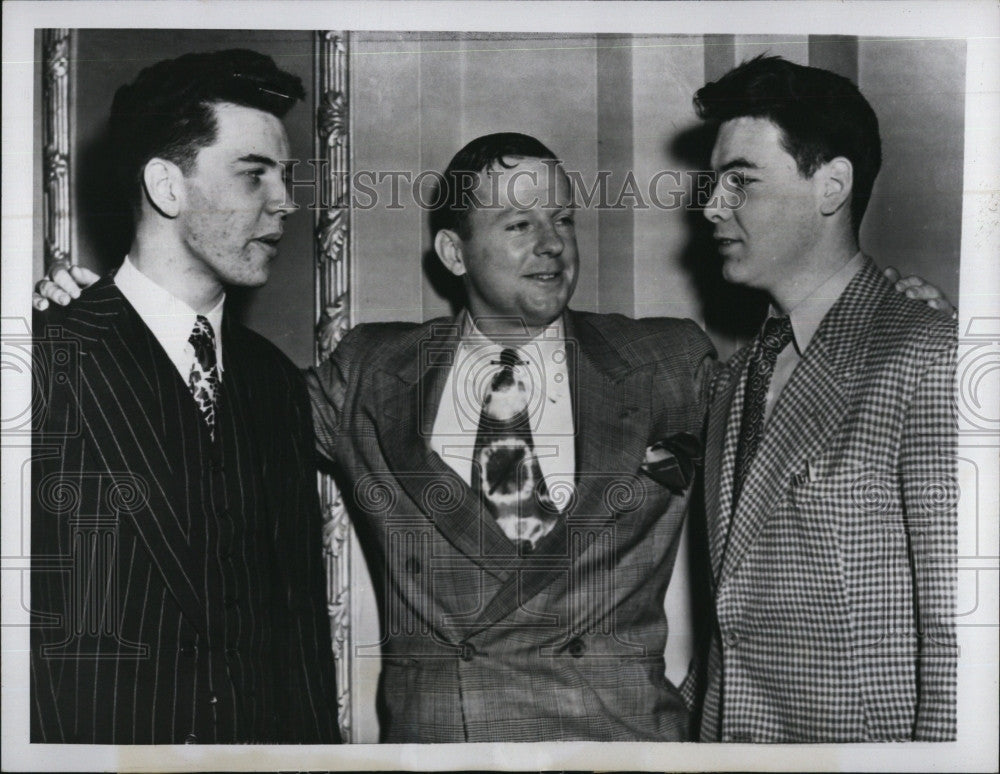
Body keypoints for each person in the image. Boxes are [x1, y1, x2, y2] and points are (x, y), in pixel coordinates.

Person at [30, 50, 341, 744]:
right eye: (253, 174)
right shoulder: (40, 361)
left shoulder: (275, 384)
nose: (286, 202)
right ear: (167, 187)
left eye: (285, 178)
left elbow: (301, 642)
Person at [693, 56, 957, 742]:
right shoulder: (736, 377)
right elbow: (732, 623)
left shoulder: (928, 358)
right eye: (713, 182)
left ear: (831, 185)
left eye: (739, 182)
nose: (711, 206)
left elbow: (964, 649)